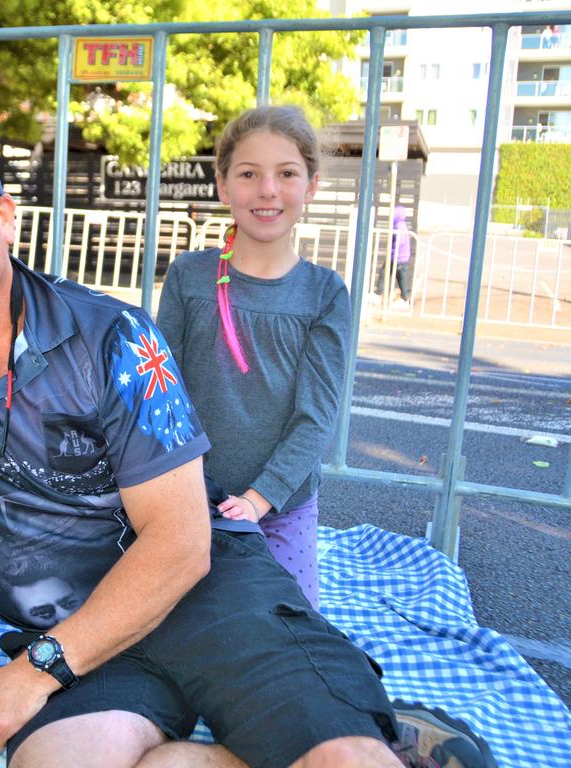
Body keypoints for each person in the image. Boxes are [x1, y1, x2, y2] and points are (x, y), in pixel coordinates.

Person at [0, 126, 496, 768]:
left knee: (343, 764)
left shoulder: (115, 338)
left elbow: (183, 544)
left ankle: (376, 743)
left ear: (5, 218)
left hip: (208, 593)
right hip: (84, 633)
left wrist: (33, 672)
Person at [157, 105, 345, 609]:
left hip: (281, 505)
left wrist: (259, 500)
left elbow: (317, 417)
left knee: (287, 632)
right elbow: (159, 393)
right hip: (187, 501)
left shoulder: (325, 292)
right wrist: (177, 491)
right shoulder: (187, 277)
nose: (267, 190)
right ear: (222, 185)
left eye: (286, 173)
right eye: (248, 174)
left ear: (311, 187)